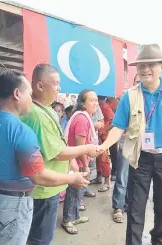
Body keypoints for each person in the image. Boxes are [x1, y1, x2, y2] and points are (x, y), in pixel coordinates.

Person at [0, 70, 89, 245]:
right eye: (29, 94)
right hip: (8, 205)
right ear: (17, 94)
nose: (31, 100)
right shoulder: (21, 132)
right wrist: (71, 179)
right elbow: (38, 176)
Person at [99, 44, 162, 245]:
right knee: (135, 209)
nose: (145, 69)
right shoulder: (130, 96)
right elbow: (118, 127)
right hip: (140, 159)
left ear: (160, 66)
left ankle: (159, 241)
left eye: (151, 64)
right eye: (141, 65)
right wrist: (104, 145)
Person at [21, 64, 98, 245]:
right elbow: (57, 152)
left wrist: (72, 160)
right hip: (44, 189)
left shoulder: (47, 109)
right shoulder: (36, 115)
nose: (59, 88)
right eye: (55, 83)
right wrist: (86, 149)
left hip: (52, 185)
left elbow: (59, 141)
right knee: (40, 238)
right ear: (40, 86)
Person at [62, 89, 99, 234]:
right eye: (92, 100)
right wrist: (85, 165)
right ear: (83, 104)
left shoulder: (85, 117)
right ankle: (68, 220)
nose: (95, 103)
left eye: (96, 100)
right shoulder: (83, 119)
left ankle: (75, 216)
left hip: (78, 160)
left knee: (78, 191)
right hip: (76, 162)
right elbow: (80, 145)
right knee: (74, 191)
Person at [97, 96, 114, 192]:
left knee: (104, 158)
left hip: (103, 137)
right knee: (98, 158)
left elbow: (113, 120)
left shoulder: (104, 106)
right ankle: (99, 177)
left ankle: (107, 182)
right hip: (98, 136)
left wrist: (104, 130)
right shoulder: (100, 105)